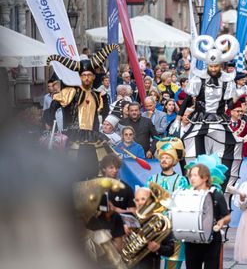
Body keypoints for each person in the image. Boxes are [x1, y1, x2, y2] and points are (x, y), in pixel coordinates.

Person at [170, 35, 243, 182]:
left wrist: (236, 98)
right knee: (190, 149)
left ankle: (222, 187)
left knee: (231, 148)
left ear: (221, 66)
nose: (214, 69)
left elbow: (229, 104)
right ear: (207, 65)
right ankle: (193, 184)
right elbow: (188, 99)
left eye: (216, 66)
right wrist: (178, 119)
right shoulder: (198, 79)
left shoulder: (227, 81)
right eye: (211, 66)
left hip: (219, 120)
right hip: (200, 119)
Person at [44, 45, 119, 173]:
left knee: (96, 167)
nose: (86, 78)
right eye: (83, 75)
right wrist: (49, 123)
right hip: (73, 134)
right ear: (79, 77)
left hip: (92, 135)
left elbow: (104, 113)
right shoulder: (71, 92)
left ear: (94, 77)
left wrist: (105, 101)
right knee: (72, 168)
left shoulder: (97, 94)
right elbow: (53, 105)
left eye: (89, 75)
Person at [184, 164, 230, 269]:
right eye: (191, 175)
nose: (192, 178)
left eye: (195, 175)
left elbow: (227, 216)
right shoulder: (187, 195)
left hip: (212, 240)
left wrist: (222, 221)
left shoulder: (216, 195)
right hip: (192, 240)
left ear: (205, 177)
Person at [132, 187, 176, 269]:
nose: (140, 203)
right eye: (137, 200)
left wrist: (158, 248)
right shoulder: (132, 219)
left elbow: (170, 250)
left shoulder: (160, 221)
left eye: (143, 199)